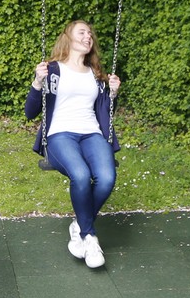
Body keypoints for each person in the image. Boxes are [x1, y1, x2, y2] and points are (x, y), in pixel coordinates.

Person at [25, 20, 121, 268]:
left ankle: (80, 225)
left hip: (91, 133)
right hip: (60, 134)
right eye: (82, 32)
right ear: (68, 37)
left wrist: (112, 94)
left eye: (90, 33)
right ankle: (89, 237)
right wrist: (37, 83)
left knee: (107, 177)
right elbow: (30, 112)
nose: (88, 36)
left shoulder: (95, 74)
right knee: (81, 175)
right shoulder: (52, 70)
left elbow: (105, 112)